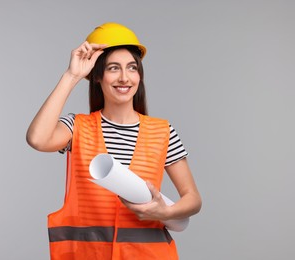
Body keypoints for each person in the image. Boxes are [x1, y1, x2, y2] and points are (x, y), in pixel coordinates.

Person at [26, 22, 202, 260]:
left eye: (132, 68)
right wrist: (72, 75)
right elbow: (37, 139)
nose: (124, 77)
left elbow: (193, 199)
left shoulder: (163, 131)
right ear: (97, 76)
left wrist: (164, 210)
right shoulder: (77, 127)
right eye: (113, 68)